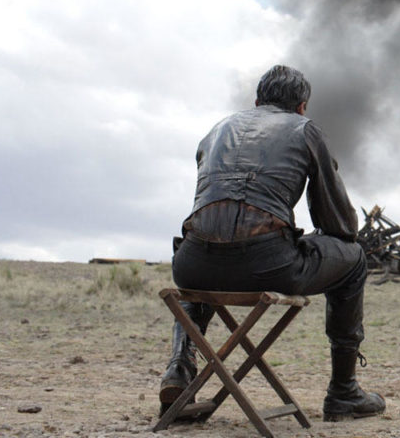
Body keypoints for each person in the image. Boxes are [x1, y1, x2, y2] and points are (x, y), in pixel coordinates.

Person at [158, 65, 384, 422]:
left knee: (202, 267)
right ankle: (344, 392)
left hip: (193, 263)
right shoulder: (305, 130)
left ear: (257, 100)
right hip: (266, 264)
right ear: (302, 107)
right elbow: (338, 224)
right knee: (353, 259)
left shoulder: (217, 130)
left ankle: (179, 370)